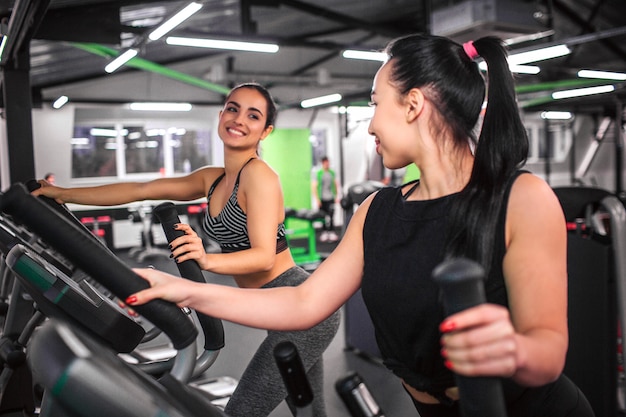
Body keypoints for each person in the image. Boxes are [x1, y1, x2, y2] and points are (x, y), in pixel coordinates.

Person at [125, 34, 594, 417]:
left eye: (375, 104)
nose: (370, 126)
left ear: (412, 105)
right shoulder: (377, 209)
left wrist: (511, 347)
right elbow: (303, 301)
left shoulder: (522, 198)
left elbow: (548, 352)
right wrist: (181, 290)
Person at [32, 82, 340, 417]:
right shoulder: (214, 179)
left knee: (241, 411)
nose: (239, 119)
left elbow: (264, 256)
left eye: (253, 115)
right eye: (233, 108)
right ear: (221, 114)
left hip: (295, 300)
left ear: (265, 131)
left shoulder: (259, 177)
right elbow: (141, 189)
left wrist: (206, 259)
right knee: (310, 411)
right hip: (274, 306)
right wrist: (62, 194)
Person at [312, 156, 340, 242]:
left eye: (328, 162)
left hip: (330, 197)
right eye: (325, 162)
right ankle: (324, 232)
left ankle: (331, 231)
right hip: (322, 198)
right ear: (322, 163)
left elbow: (336, 184)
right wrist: (317, 199)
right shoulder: (319, 173)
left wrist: (336, 196)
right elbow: (314, 187)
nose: (327, 164)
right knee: (323, 216)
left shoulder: (332, 173)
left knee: (331, 215)